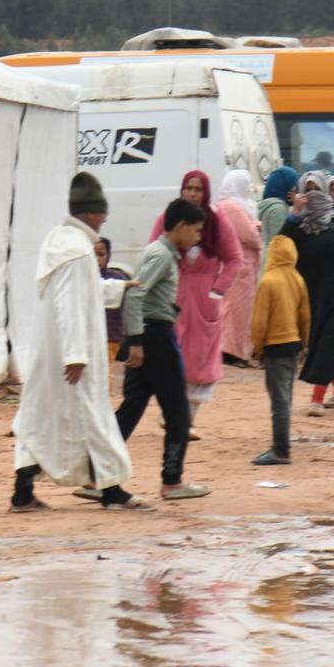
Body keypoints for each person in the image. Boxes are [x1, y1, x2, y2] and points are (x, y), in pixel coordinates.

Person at [10, 172, 149, 512]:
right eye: (102, 212)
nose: (105, 219)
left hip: (53, 356)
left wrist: (118, 288)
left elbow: (84, 292)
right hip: (71, 358)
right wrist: (75, 355)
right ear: (89, 213)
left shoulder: (65, 244)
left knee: (39, 419)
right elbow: (69, 305)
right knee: (94, 418)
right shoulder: (74, 251)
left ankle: (22, 492)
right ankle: (112, 490)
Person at [117, 198, 211, 500]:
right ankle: (172, 480)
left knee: (131, 408)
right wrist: (137, 341)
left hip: (147, 336)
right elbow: (134, 296)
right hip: (155, 337)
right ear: (180, 226)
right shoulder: (161, 256)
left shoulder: (155, 252)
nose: (198, 238)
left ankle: (97, 474)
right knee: (178, 411)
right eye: (195, 231)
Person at [149, 171, 243, 433]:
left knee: (200, 359)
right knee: (171, 353)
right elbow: (152, 254)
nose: (192, 193)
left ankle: (186, 418)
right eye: (188, 188)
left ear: (206, 193)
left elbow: (234, 258)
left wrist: (218, 289)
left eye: (197, 189)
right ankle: (172, 412)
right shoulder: (167, 219)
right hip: (174, 295)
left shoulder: (216, 221)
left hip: (204, 300)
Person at [281, 184, 334, 417]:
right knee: (323, 340)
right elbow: (281, 245)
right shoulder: (300, 223)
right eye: (307, 189)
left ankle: (317, 397)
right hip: (315, 293)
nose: (312, 194)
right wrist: (294, 214)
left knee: (328, 338)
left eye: (318, 189)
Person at [250, 235, 311, 465]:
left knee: (279, 400)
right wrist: (304, 344)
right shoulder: (298, 279)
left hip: (275, 346)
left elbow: (259, 322)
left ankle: (280, 450)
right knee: (286, 397)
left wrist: (258, 348)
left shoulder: (268, 281)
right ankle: (281, 445)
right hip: (294, 344)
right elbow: (305, 317)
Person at [217, 169, 263, 366]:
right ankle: (234, 352)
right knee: (238, 313)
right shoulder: (232, 207)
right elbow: (250, 236)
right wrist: (257, 227)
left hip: (237, 266)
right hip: (241, 267)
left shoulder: (225, 205)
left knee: (231, 311)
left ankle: (231, 350)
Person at [96, 236, 129, 363]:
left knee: (106, 373)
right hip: (89, 338)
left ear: (108, 256)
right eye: (93, 254)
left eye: (101, 254)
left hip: (111, 336)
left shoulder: (117, 277)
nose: (97, 259)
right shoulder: (83, 278)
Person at [259, 166, 300, 265]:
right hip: (276, 264)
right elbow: (281, 243)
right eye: (293, 186)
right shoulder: (278, 209)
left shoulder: (267, 205)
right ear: (285, 186)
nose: (295, 190)